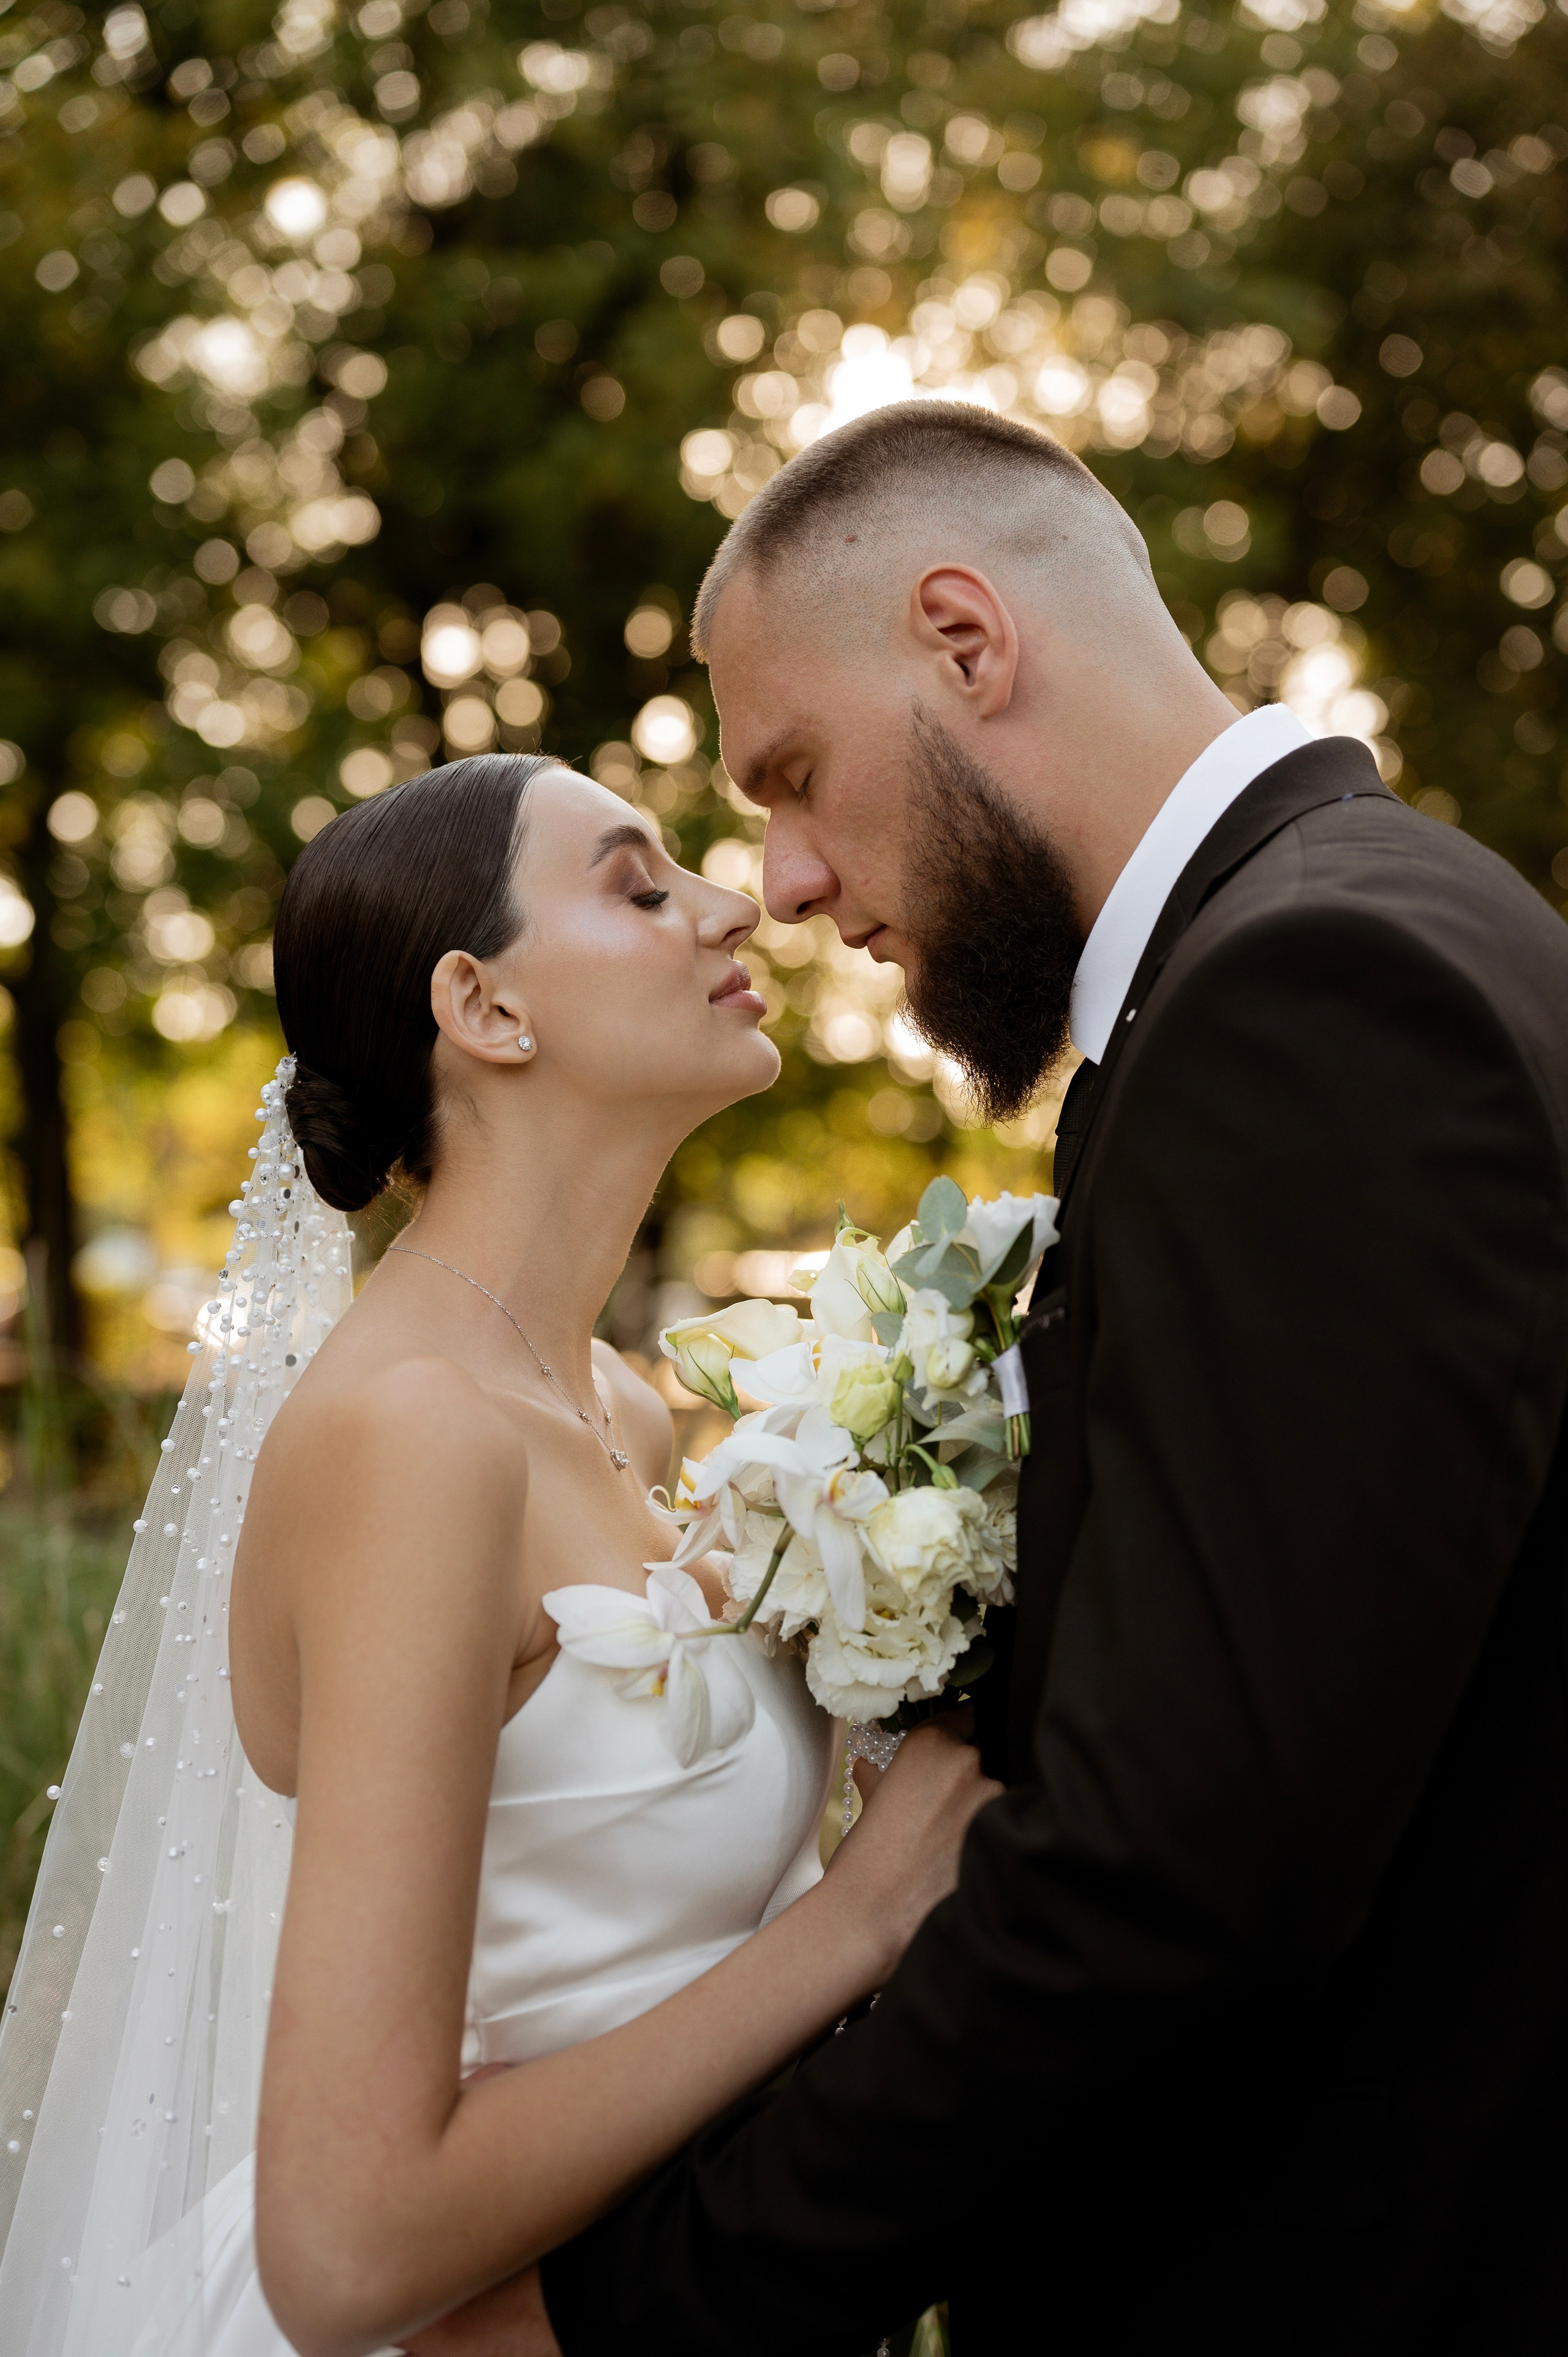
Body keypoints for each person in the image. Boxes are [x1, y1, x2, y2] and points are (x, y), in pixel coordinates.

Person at [439, 401, 1568, 2353]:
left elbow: (1172, 1871)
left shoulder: (1308, 1006)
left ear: (967, 642)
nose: (779, 884)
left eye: (793, 774)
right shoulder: (1388, 929)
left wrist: (626, 2308)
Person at [0, 751, 995, 2357]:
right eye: (640, 884)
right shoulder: (412, 1441)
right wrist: (860, 1921)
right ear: (487, 1009)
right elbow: (343, 2254)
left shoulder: (619, 1410)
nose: (734, 902)